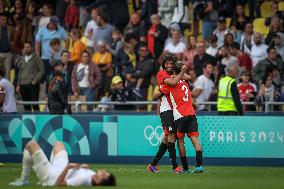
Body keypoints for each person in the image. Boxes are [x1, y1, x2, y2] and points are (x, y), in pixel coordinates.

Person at [160, 61, 204, 173]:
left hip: (180, 115)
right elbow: (186, 76)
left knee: (180, 140)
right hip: (192, 113)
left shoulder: (171, 83)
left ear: (174, 70)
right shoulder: (185, 82)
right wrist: (182, 72)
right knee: (195, 139)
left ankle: (186, 168)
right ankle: (199, 165)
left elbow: (159, 92)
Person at [9, 140, 115, 186]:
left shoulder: (81, 180)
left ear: (98, 181)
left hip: (53, 177)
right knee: (58, 144)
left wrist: (68, 167)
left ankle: (24, 180)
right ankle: (48, 167)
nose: (104, 171)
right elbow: (82, 172)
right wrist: (84, 167)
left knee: (31, 145)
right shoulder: (91, 175)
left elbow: (59, 184)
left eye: (105, 175)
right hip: (60, 168)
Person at [147, 54, 187, 173]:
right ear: (163, 65)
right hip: (166, 109)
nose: (169, 65)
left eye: (171, 63)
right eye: (167, 63)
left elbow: (188, 77)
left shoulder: (174, 74)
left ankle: (153, 164)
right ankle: (175, 167)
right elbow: (173, 83)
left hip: (175, 109)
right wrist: (180, 75)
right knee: (171, 136)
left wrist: (180, 75)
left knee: (167, 137)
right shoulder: (162, 74)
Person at [16, 41, 45, 112]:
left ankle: (38, 120)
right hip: (23, 85)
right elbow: (20, 72)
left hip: (33, 85)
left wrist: (35, 81)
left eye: (28, 47)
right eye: (25, 47)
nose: (26, 48)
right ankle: (28, 121)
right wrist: (18, 85)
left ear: (31, 48)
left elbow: (42, 70)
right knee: (26, 106)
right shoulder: (21, 58)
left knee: (35, 105)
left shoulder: (36, 58)